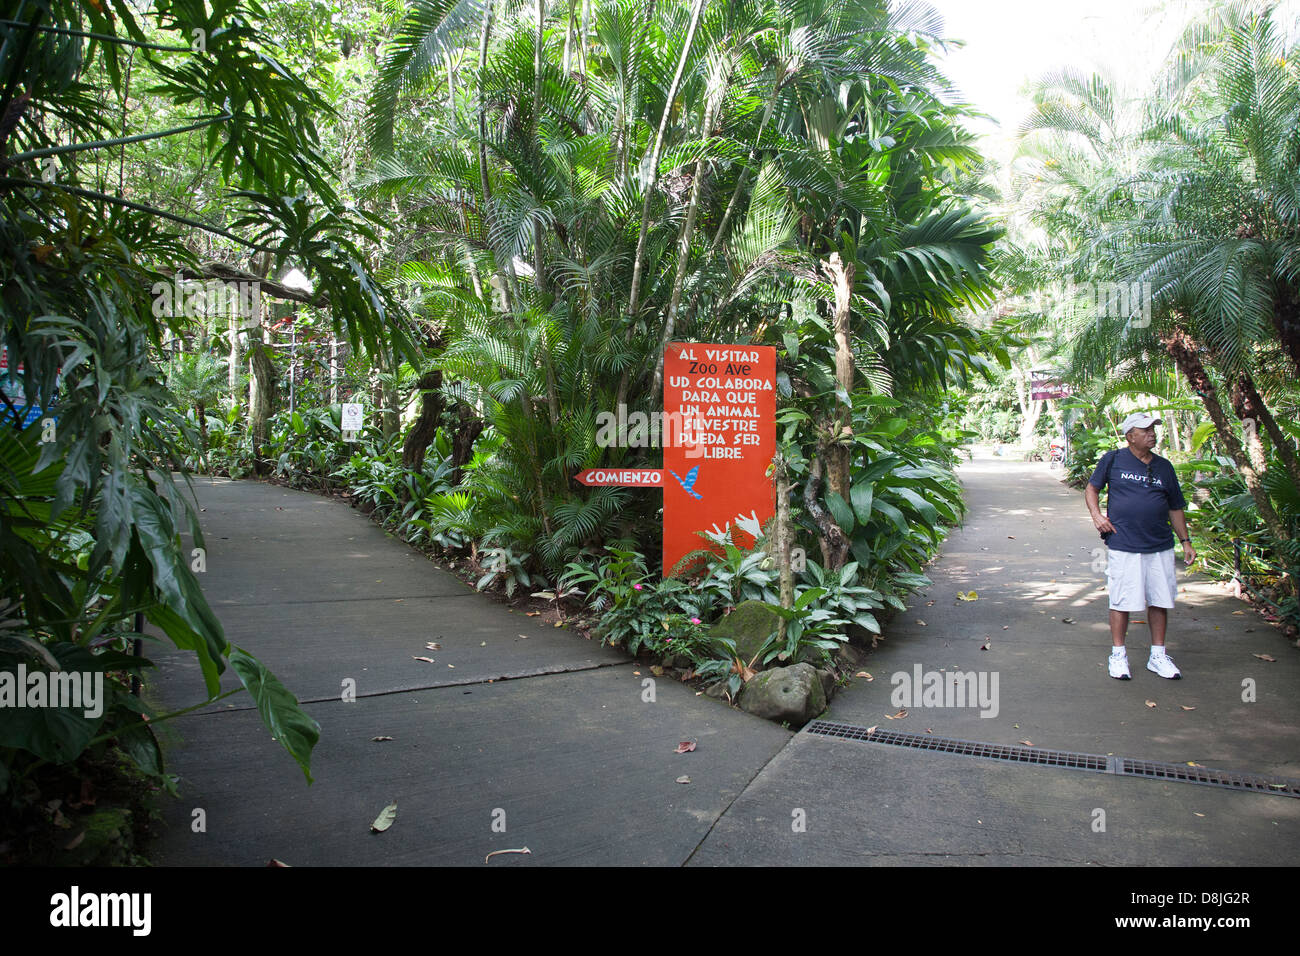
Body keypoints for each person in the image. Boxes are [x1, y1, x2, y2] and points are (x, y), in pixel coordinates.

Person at [1085, 412, 1196, 679]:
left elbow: (1175, 506)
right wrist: (1098, 516)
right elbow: (1092, 489)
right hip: (1124, 543)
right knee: (1121, 599)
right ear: (1130, 436)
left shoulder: (1164, 466)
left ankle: (1157, 656)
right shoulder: (1113, 460)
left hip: (1160, 544)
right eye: (1145, 430)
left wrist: (1186, 541)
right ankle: (1118, 655)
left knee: (1160, 599)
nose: (1152, 434)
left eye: (1153, 429)